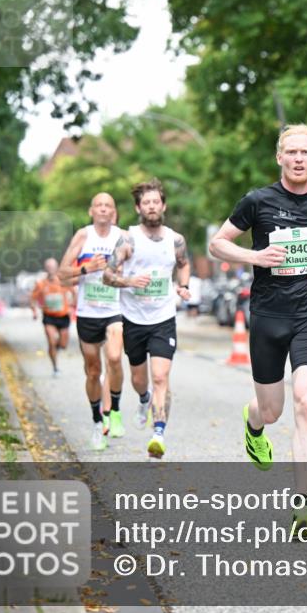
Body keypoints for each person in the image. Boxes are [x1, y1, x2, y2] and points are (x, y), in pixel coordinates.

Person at [208, 123, 307, 537]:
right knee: (272, 410)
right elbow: (217, 244)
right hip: (269, 317)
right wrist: (254, 255)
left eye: (306, 152)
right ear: (280, 158)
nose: (299, 159)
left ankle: (302, 506)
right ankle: (253, 423)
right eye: (291, 152)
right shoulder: (258, 201)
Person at [103, 179, 191, 459]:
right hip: (133, 319)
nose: (152, 207)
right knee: (140, 379)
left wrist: (184, 285)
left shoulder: (175, 240)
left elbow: (184, 263)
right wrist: (129, 281)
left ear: (163, 206)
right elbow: (107, 275)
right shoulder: (128, 240)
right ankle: (143, 400)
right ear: (138, 208)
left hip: (163, 317)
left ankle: (159, 434)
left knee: (161, 376)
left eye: (156, 202)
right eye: (146, 203)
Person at [59, 193, 125, 452]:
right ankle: (98, 423)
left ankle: (115, 411)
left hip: (114, 310)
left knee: (115, 357)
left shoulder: (122, 237)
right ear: (91, 211)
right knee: (94, 371)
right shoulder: (83, 236)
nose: (104, 209)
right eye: (99, 205)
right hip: (88, 313)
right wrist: (86, 268)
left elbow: (134, 268)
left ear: (114, 212)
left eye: (109, 205)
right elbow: (62, 274)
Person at [30, 258, 76, 376]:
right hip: (49, 316)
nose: (50, 269)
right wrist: (34, 311)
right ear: (45, 268)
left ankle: (56, 349)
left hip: (63, 315)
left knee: (63, 345)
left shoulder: (63, 281)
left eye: (52, 267)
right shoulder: (41, 283)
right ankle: (55, 367)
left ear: (56, 268)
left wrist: (72, 305)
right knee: (51, 341)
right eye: (48, 267)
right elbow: (32, 298)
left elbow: (74, 293)